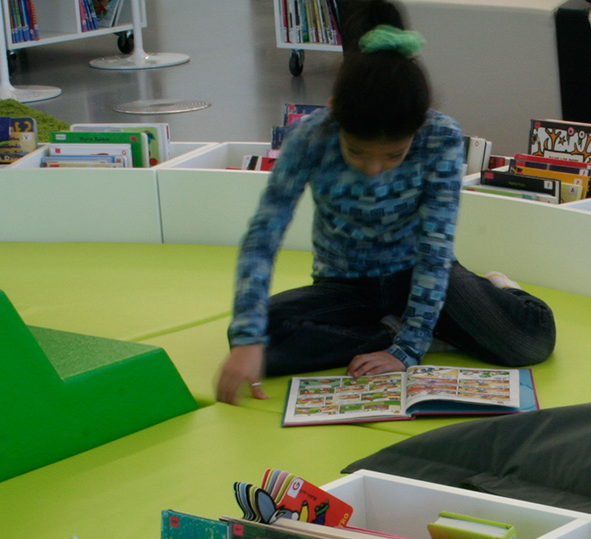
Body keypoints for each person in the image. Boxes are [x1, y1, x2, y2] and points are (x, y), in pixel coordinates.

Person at [215, 0, 556, 404]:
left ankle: (491, 295)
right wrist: (248, 338)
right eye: (356, 152)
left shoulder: (440, 136)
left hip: (419, 272)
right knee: (254, 337)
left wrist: (407, 351)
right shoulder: (310, 136)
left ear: (418, 126)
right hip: (344, 287)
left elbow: (434, 247)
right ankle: (401, 330)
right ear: (335, 116)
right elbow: (263, 236)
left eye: (393, 155)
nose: (374, 170)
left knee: (530, 342)